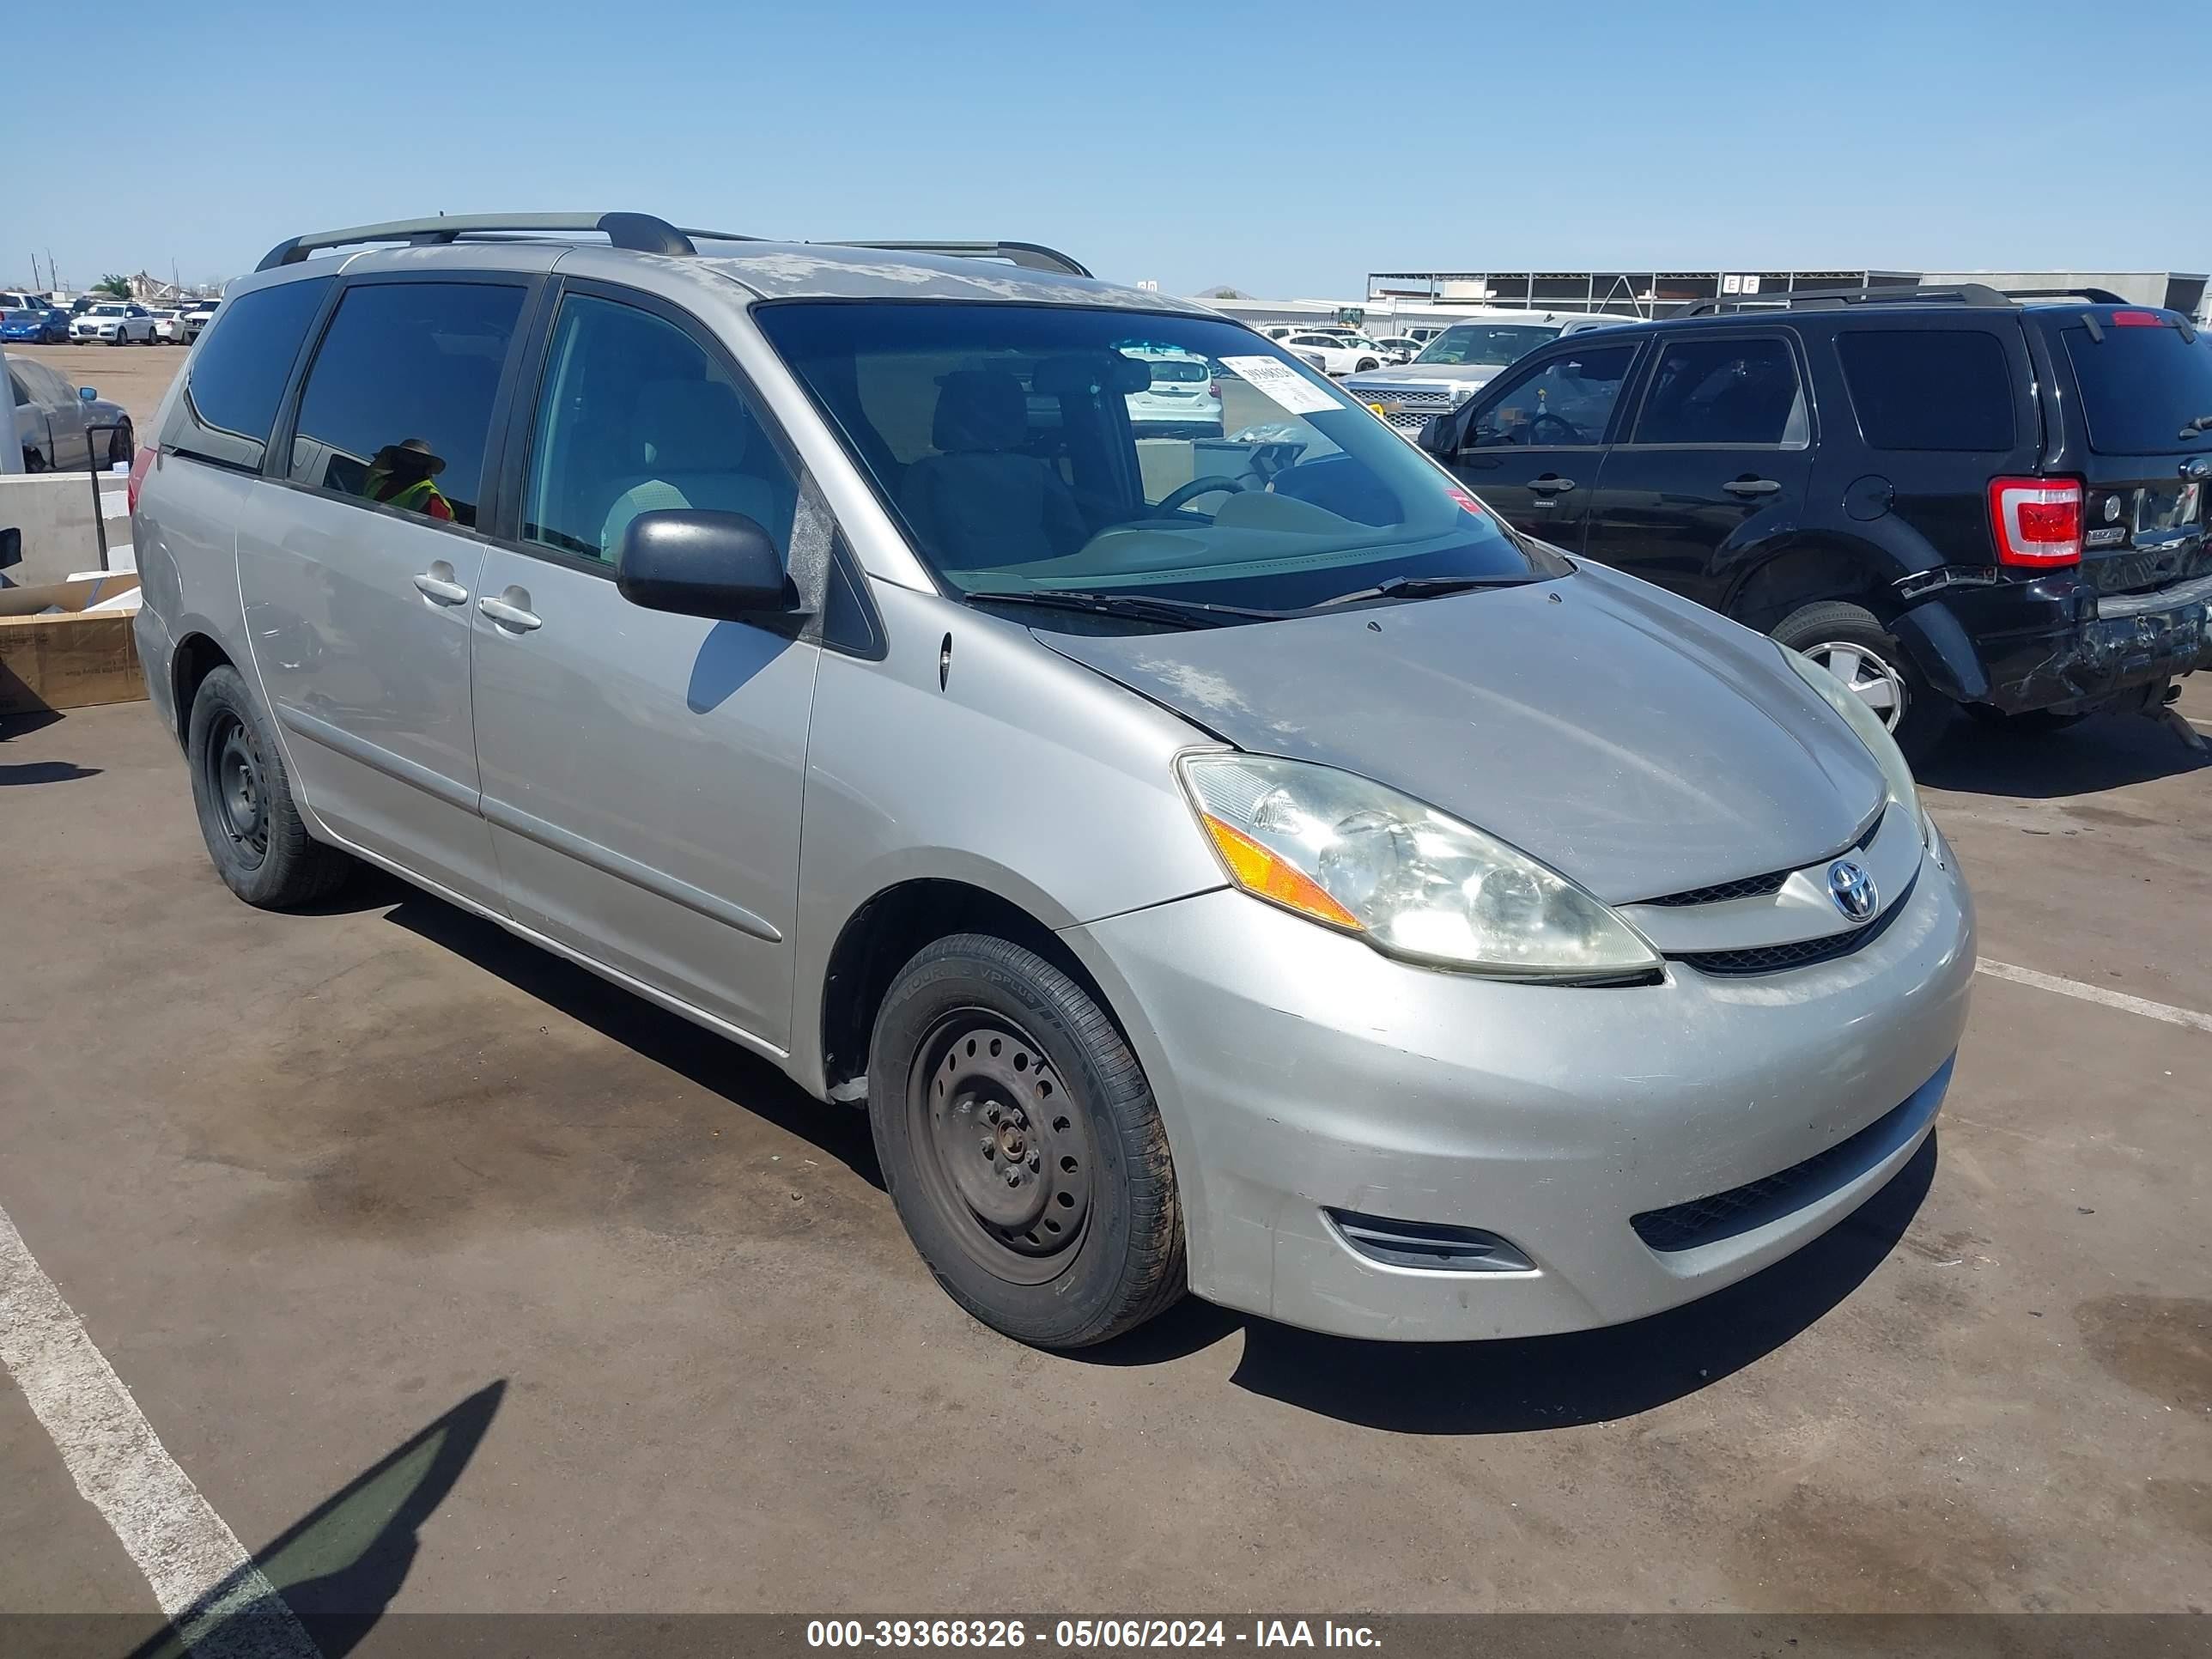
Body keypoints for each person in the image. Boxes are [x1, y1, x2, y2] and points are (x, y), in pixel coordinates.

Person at [362, 438, 453, 521]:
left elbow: (435, 536)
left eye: (416, 458)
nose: (408, 460)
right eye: (404, 455)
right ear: (395, 457)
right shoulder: (378, 481)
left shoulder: (431, 497)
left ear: (426, 464)